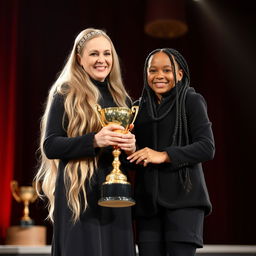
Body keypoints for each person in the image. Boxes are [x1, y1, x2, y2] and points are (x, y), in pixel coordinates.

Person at [34, 28, 136, 256]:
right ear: (79, 59)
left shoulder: (122, 98)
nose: (102, 60)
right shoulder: (65, 93)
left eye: (107, 54)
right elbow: (51, 146)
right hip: (78, 196)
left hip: (115, 197)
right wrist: (95, 140)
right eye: (94, 54)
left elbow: (128, 163)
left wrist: (130, 149)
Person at [127, 48, 215, 256]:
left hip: (185, 203)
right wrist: (130, 151)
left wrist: (164, 155)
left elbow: (206, 147)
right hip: (148, 206)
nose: (159, 76)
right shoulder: (137, 108)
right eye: (153, 70)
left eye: (167, 70)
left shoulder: (191, 101)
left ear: (180, 74)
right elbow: (133, 161)